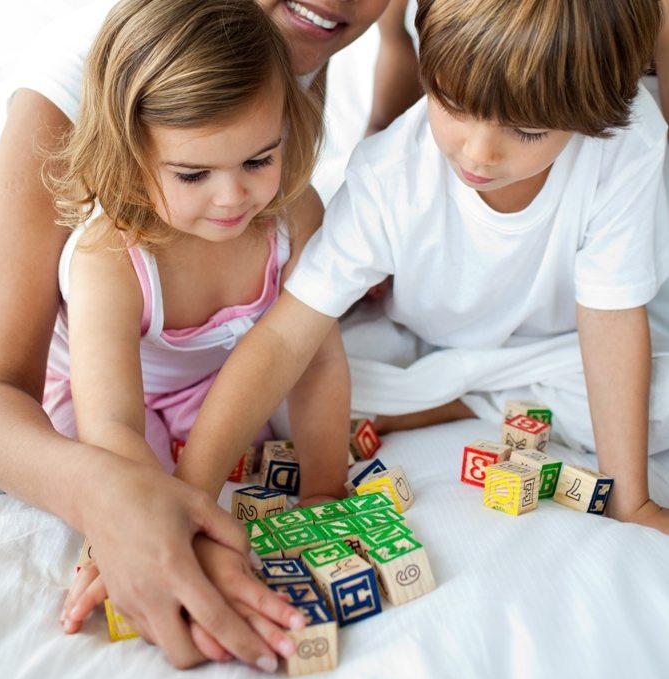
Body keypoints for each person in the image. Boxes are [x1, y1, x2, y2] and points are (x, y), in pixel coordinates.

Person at [0, 0, 367, 673]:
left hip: (212, 382)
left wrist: (324, 494)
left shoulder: (292, 209)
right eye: (193, 175)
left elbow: (317, 358)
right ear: (130, 155)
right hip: (114, 406)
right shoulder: (109, 259)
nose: (233, 198)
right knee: (138, 477)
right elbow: (111, 426)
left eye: (258, 161)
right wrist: (164, 528)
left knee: (273, 425)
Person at [176, 0, 669, 535]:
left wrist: (632, 501)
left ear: (599, 111)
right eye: (453, 104)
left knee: (656, 402)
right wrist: (189, 498)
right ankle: (468, 398)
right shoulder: (389, 175)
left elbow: (613, 319)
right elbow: (285, 339)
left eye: (526, 132)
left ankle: (456, 401)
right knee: (300, 396)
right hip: (419, 342)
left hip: (557, 346)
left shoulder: (627, 141)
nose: (478, 155)